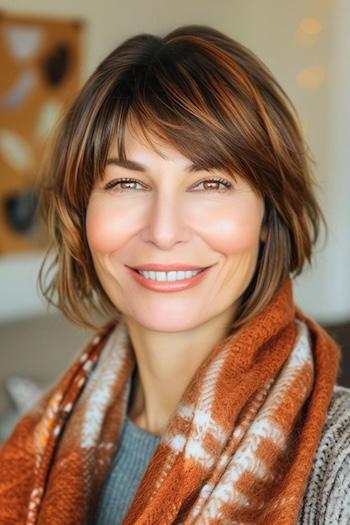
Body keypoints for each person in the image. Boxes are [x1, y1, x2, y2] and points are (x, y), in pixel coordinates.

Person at [0, 24, 349, 525]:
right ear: (82, 213)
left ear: (267, 216)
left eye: (209, 182)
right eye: (126, 183)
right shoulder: (32, 438)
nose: (164, 232)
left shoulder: (340, 463)